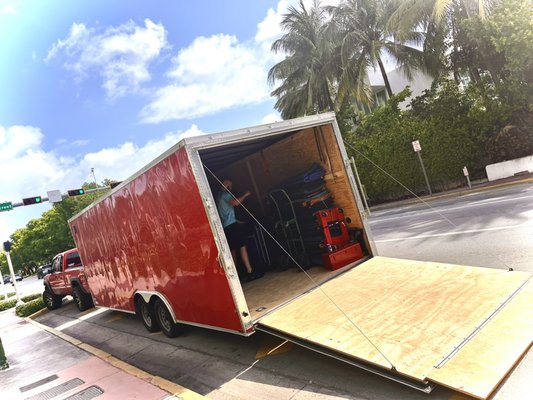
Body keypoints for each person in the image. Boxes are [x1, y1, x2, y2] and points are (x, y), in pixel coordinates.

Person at [216, 177, 258, 281]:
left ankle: (237, 275)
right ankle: (250, 272)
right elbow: (235, 203)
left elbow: (226, 214)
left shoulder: (218, 196)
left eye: (231, 186)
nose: (230, 187)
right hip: (232, 226)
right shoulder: (225, 195)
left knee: (233, 250)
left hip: (226, 227)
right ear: (224, 183)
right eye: (229, 185)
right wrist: (246, 195)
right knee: (242, 247)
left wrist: (238, 222)